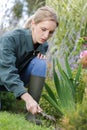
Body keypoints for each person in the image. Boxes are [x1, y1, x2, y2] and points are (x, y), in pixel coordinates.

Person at [0, 6, 58, 124]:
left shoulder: (43, 45)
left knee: (41, 63)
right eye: (43, 29)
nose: (46, 36)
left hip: (15, 78)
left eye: (51, 32)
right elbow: (7, 71)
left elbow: (34, 67)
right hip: (4, 76)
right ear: (33, 23)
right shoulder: (10, 39)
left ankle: (31, 115)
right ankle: (31, 104)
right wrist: (27, 98)